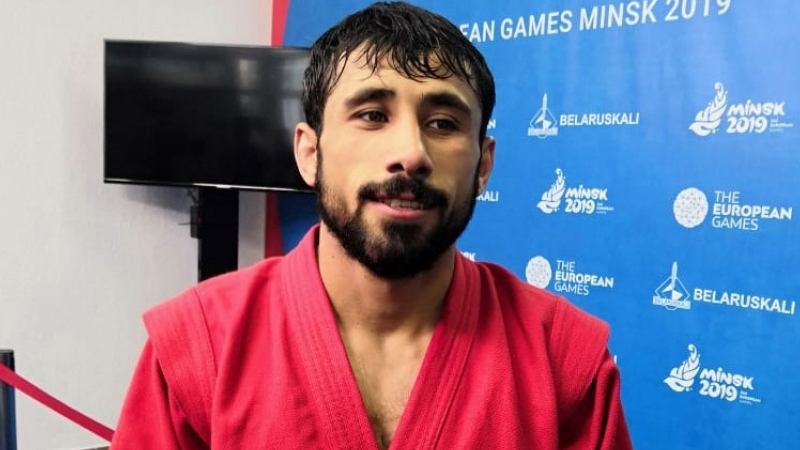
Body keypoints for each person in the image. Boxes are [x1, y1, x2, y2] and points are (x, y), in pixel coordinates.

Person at [110, 2, 633, 449]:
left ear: (483, 166)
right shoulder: (196, 351)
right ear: (310, 152)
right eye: (372, 115)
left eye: (443, 123)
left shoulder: (564, 361)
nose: (411, 153)